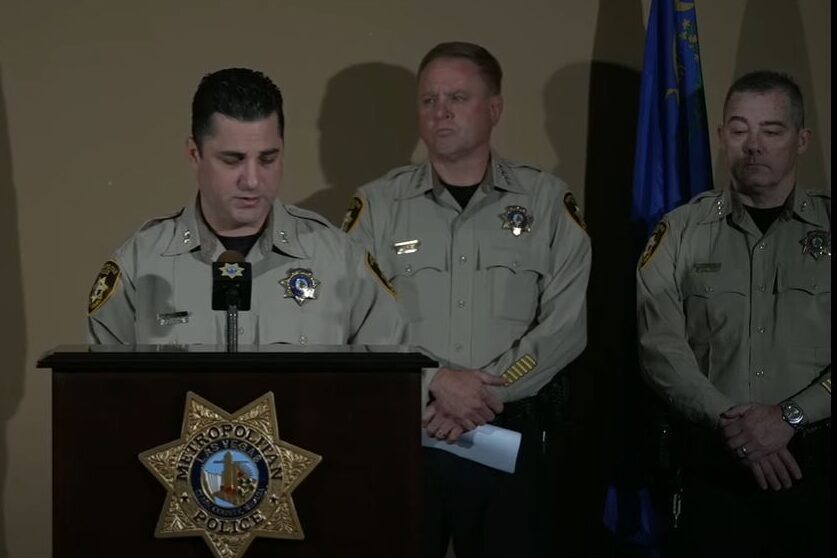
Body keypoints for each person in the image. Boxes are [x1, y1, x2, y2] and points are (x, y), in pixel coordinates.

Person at [341, 42, 591, 557]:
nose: (441, 112)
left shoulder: (545, 201)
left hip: (512, 439)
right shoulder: (377, 206)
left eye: (458, 96)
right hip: (408, 443)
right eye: (429, 100)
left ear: (494, 109)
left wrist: (483, 395)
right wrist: (435, 384)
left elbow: (564, 327)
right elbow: (353, 319)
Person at [637, 70, 830, 557]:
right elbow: (660, 348)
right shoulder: (679, 232)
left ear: (801, 139)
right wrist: (736, 424)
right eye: (740, 129)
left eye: (772, 130)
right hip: (714, 468)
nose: (754, 145)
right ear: (721, 137)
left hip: (821, 469)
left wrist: (790, 416)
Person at [87, 67, 404, 346]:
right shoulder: (140, 264)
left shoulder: (339, 260)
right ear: (194, 155)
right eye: (233, 160)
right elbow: (103, 398)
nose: (252, 180)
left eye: (268, 158)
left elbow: (391, 387)